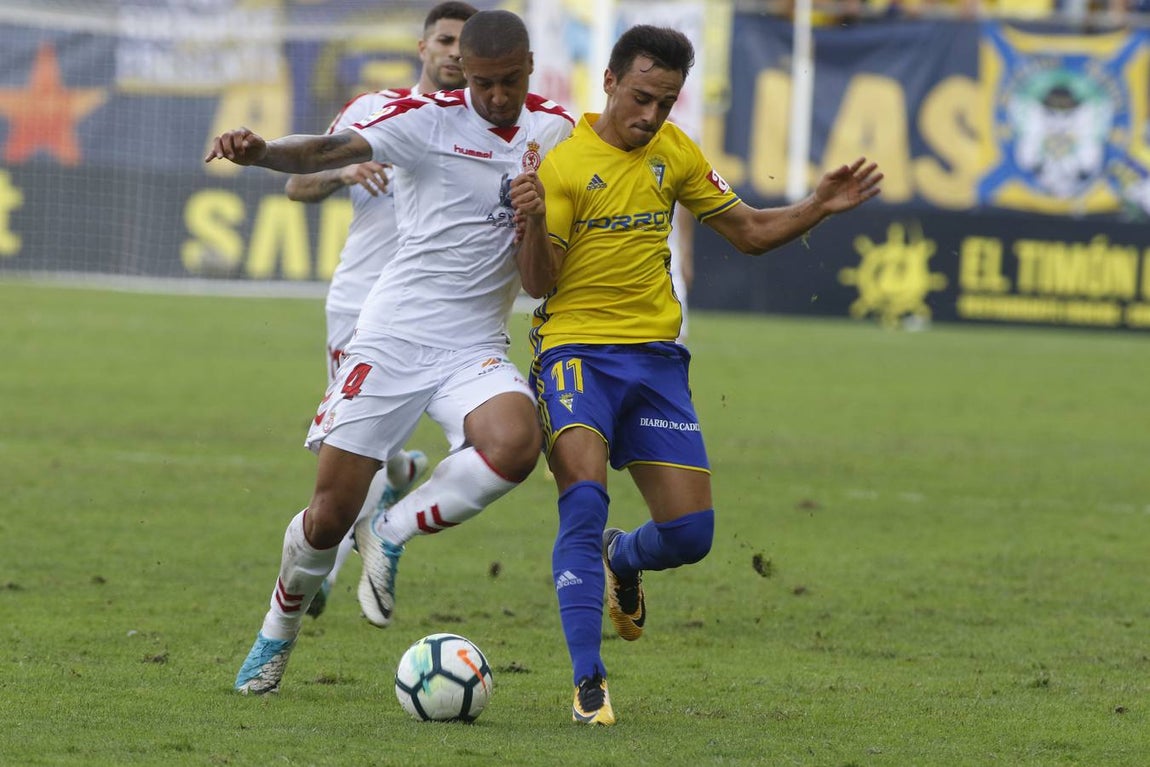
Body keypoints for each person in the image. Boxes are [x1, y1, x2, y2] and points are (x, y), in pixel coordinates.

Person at [511, 25, 882, 725]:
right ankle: (588, 683)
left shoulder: (674, 152)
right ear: (611, 83)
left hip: (654, 361)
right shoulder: (562, 167)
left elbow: (747, 231)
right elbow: (538, 283)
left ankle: (625, 556)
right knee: (583, 501)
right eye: (643, 98)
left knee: (689, 537)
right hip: (575, 357)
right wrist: (528, 223)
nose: (652, 116)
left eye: (668, 102)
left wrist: (817, 206)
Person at [205, 8, 575, 695]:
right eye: (485, 83)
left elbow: (538, 281)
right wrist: (259, 153)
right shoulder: (420, 118)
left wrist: (538, 216)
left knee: (518, 443)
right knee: (325, 516)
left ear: (530, 69)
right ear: (464, 68)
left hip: (474, 345)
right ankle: (277, 628)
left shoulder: (555, 131)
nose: (498, 97)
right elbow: (322, 152)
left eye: (511, 83)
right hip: (394, 335)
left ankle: (393, 529)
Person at [283, 1, 478, 620]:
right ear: (422, 47)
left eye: (463, 44)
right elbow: (296, 184)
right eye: (443, 39)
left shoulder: (487, 129)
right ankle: (398, 474)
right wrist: (345, 173)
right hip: (358, 305)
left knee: (354, 457)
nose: (453, 51)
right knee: (348, 452)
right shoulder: (373, 113)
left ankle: (325, 571)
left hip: (432, 318)